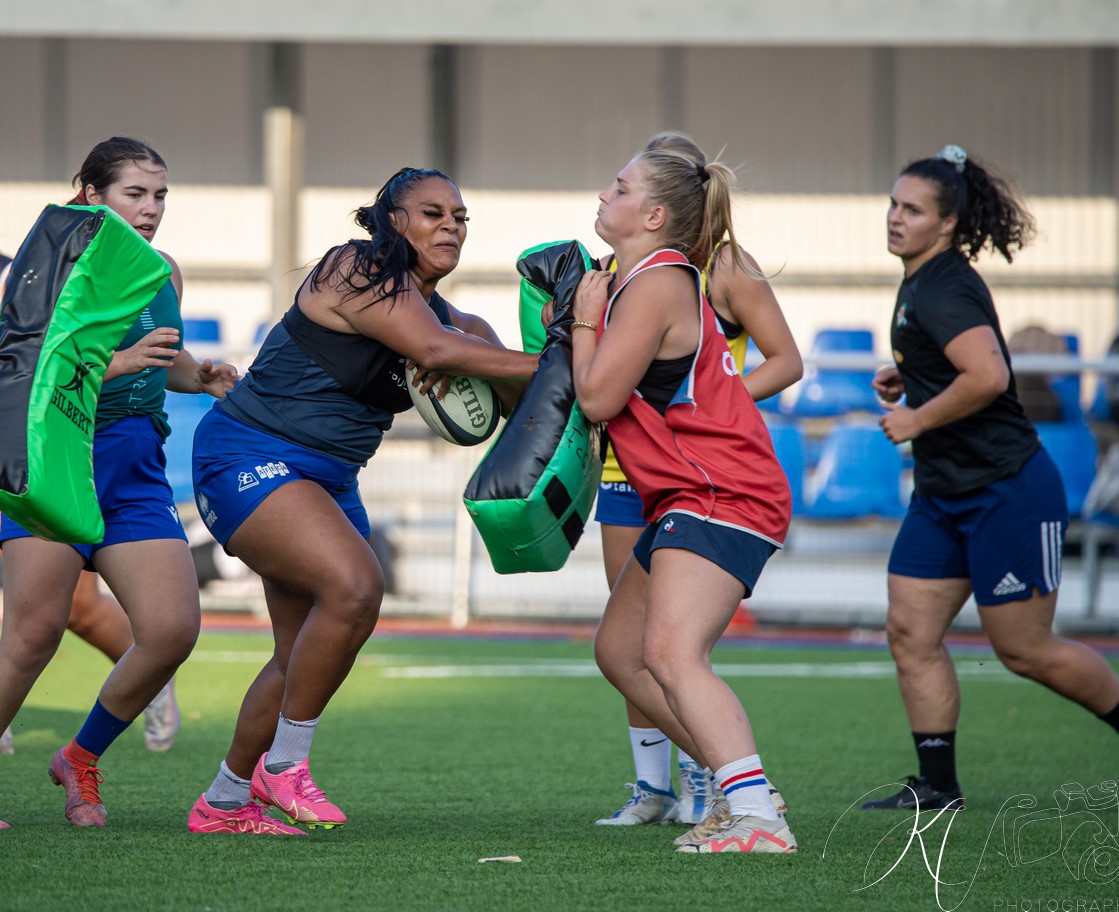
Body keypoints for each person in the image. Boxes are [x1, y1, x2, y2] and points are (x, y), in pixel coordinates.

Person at [185, 167, 538, 835]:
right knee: (355, 585)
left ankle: (223, 801)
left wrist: (563, 345)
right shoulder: (355, 268)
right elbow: (434, 348)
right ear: (393, 221)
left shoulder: (458, 324)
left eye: (460, 217)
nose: (451, 226)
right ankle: (284, 766)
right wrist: (558, 363)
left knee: (296, 658)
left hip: (330, 480)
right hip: (247, 452)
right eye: (432, 213)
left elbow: (516, 401)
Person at [0, 137, 238, 831]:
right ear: (92, 194)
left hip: (134, 465)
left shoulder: (163, 270)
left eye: (160, 195)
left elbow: (162, 356)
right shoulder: (51, 267)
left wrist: (198, 376)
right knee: (33, 634)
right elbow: (17, 367)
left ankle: (79, 757)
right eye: (136, 193)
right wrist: (117, 363)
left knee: (171, 631)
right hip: (60, 457)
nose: (152, 208)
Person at [862, 144, 1119, 812]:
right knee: (910, 632)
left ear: (948, 224)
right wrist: (916, 373)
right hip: (942, 495)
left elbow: (989, 375)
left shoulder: (944, 286)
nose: (895, 217)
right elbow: (964, 360)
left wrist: (917, 416)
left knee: (1025, 651)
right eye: (893, 205)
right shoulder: (922, 281)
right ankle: (938, 786)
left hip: (1005, 490)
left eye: (913, 210)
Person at [0, 181, 181, 756]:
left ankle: (149, 674)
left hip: (46, 442)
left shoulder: (14, 275)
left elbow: (62, 359)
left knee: (74, 609)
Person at [570, 148, 797, 854]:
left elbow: (597, 397)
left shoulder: (659, 282)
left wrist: (582, 321)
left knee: (671, 651)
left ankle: (758, 817)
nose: (604, 194)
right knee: (620, 651)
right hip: (691, 492)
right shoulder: (645, 280)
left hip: (721, 491)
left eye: (620, 187)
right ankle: (744, 788)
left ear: (654, 216)